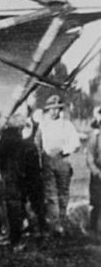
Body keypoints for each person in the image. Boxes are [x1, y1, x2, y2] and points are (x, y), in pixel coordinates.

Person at [0, 112, 47, 249]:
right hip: (25, 178)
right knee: (33, 205)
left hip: (12, 179)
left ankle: (17, 239)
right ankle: (37, 233)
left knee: (14, 209)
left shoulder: (3, 142)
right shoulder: (26, 143)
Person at [35, 94, 81, 236]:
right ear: (47, 110)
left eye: (57, 109)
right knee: (50, 193)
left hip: (62, 161)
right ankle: (54, 224)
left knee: (63, 193)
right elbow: (37, 143)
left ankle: (62, 219)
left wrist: (64, 150)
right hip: (47, 161)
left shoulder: (66, 125)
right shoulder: (43, 125)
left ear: (60, 110)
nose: (54, 112)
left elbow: (76, 143)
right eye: (51, 109)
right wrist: (41, 156)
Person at [87, 107, 101, 240]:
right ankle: (93, 227)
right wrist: (96, 172)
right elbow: (90, 158)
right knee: (96, 202)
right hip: (98, 173)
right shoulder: (95, 137)